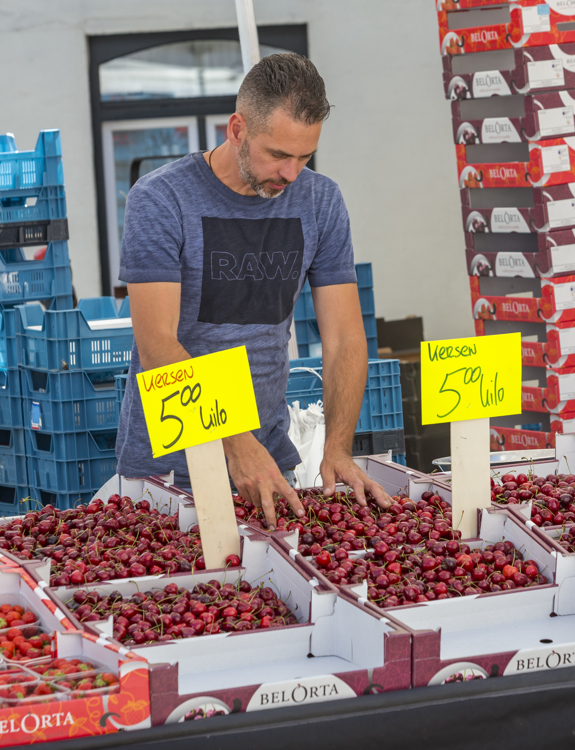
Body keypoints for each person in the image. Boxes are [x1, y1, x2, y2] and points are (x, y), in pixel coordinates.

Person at [115, 53, 391, 528]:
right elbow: (158, 343)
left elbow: (345, 337)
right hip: (167, 471)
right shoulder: (161, 198)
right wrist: (235, 442)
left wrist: (338, 448)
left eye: (305, 156)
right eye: (279, 155)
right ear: (237, 129)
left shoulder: (320, 201)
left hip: (267, 462)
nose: (291, 173)